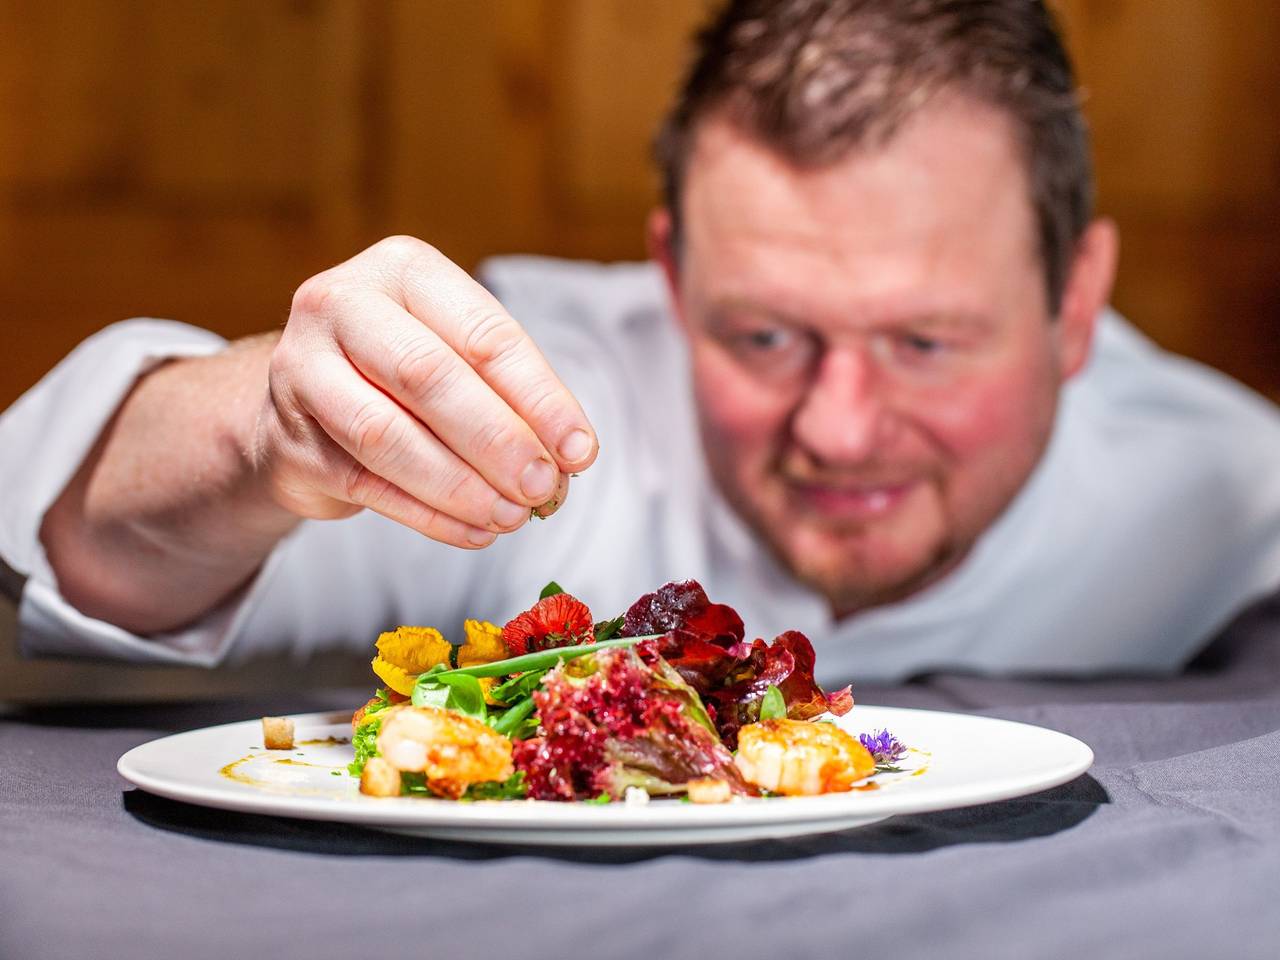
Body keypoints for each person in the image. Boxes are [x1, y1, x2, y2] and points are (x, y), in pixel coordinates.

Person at [2, 0, 1278, 685]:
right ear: (670, 277)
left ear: (1072, 305)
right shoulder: (531, 403)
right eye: (763, 334)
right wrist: (266, 425)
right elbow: (78, 555)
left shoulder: (1222, 489)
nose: (835, 426)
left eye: (926, 342)